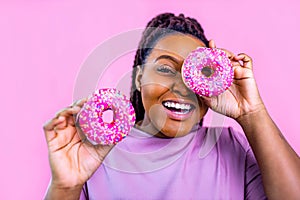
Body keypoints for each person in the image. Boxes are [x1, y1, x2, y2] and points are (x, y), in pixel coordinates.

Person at [43, 13, 300, 199]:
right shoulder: (93, 153)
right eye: (166, 68)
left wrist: (251, 113)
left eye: (199, 72)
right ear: (139, 77)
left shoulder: (233, 147)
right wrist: (65, 187)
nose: (182, 86)